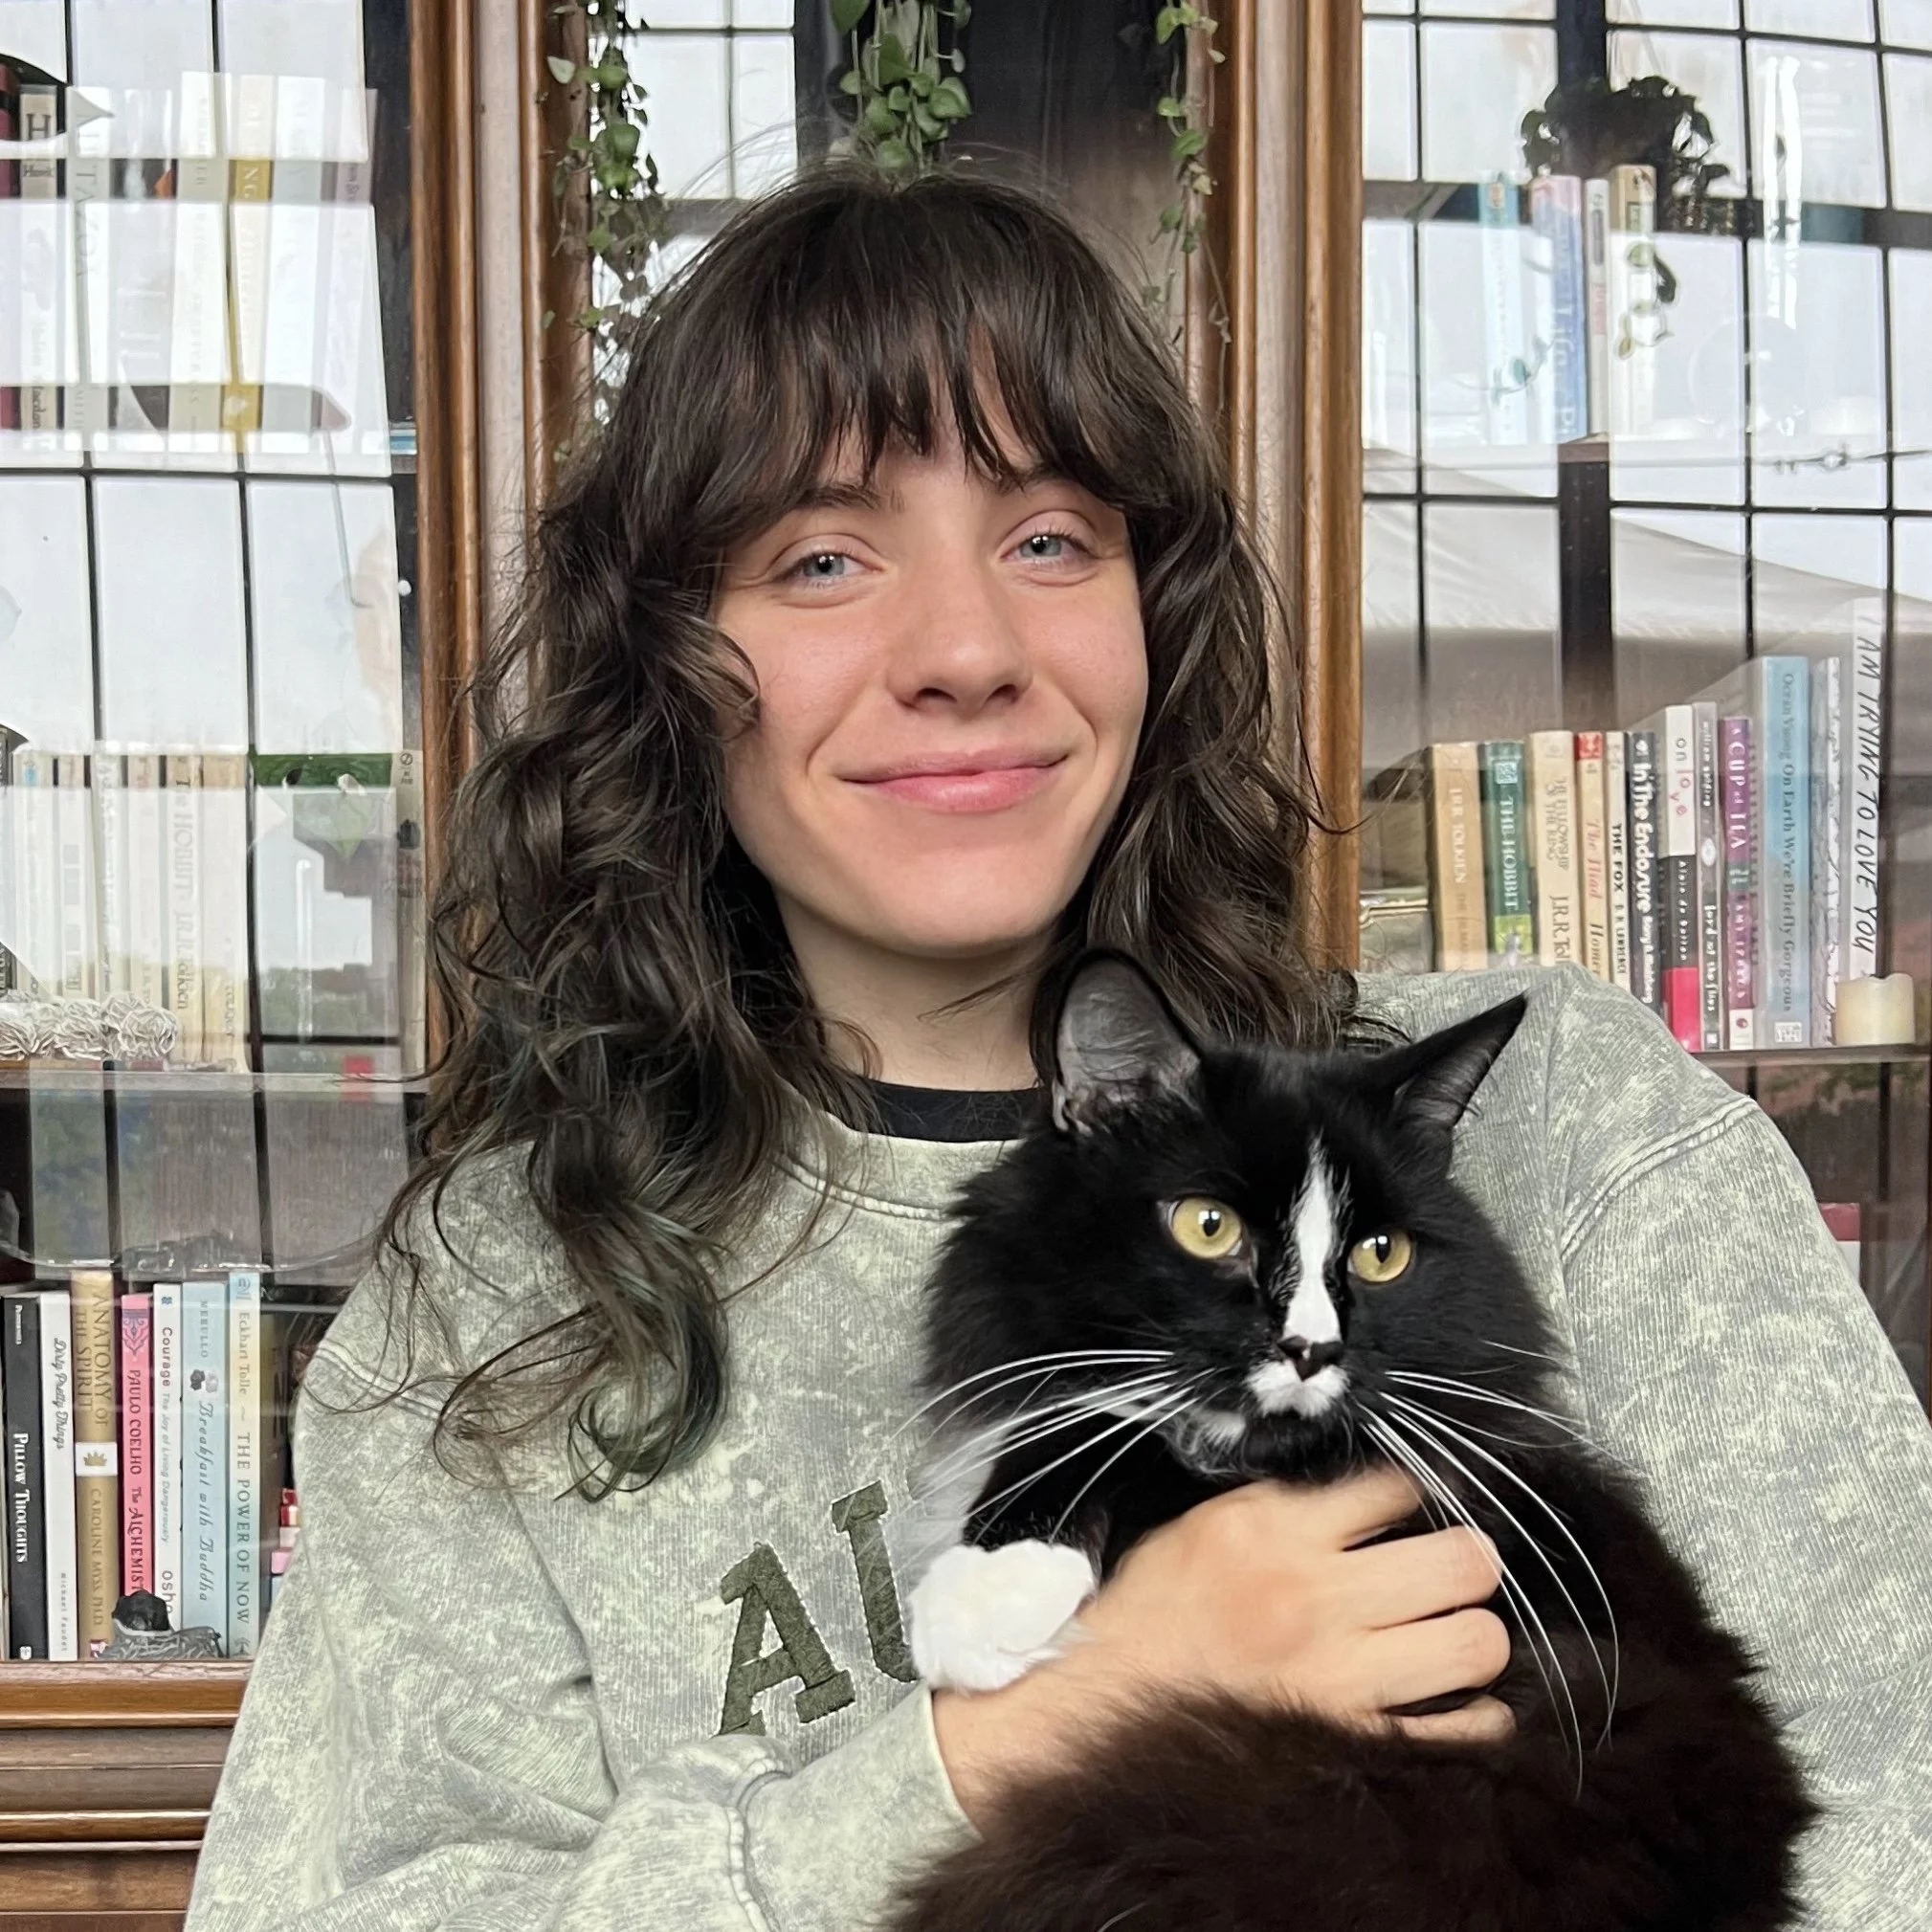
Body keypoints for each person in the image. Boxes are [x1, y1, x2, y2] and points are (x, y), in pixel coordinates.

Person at [185, 167, 1932, 1930]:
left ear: (1151, 618)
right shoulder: (494, 1304)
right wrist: (1020, 1732)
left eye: (1047, 540)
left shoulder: (1556, 1119)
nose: (965, 650)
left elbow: (1891, 1801)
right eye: (821, 557)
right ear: (666, 662)